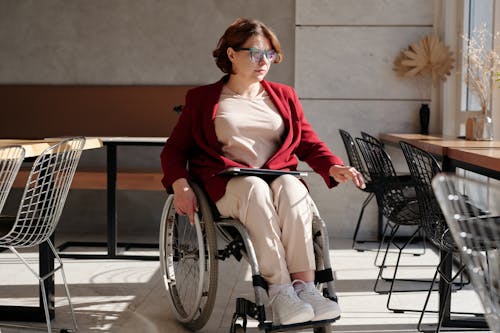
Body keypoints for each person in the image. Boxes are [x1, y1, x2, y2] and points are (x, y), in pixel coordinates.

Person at [160, 18, 365, 326]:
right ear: (231, 54)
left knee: (294, 189)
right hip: (228, 184)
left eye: (270, 54)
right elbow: (174, 150)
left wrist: (333, 166)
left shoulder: (284, 96)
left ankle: (305, 287)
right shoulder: (202, 99)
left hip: (277, 182)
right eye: (255, 53)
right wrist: (180, 184)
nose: (264, 62)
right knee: (255, 188)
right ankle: (280, 290)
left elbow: (308, 143)